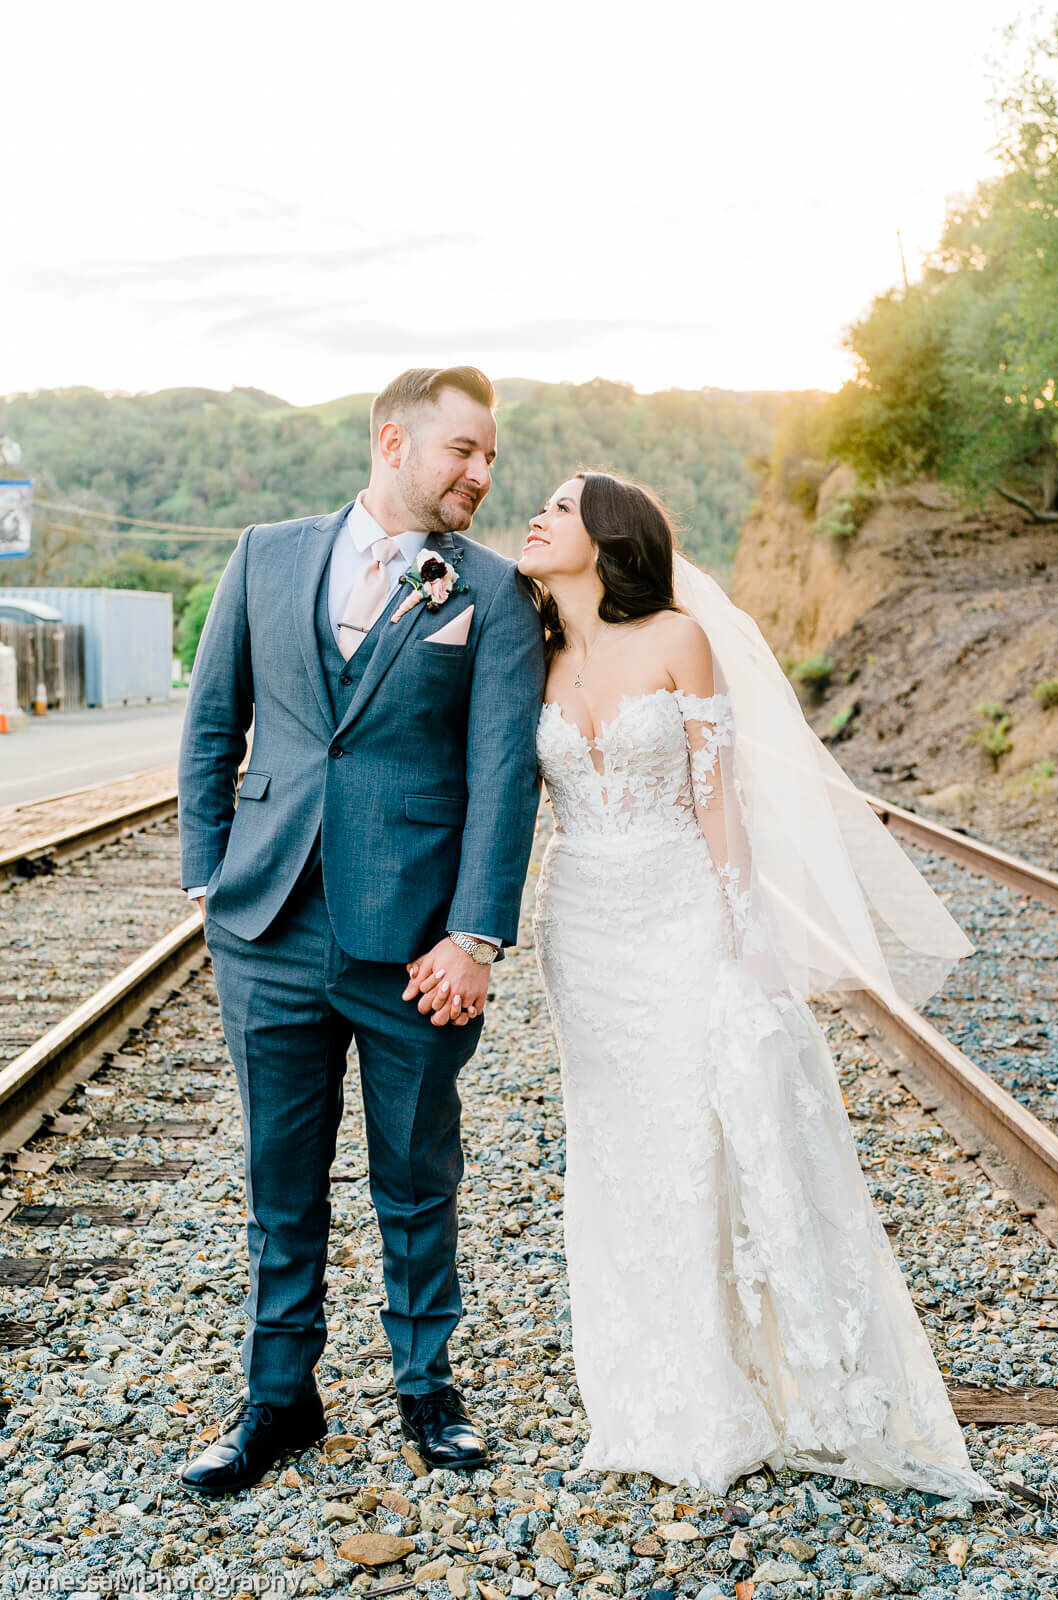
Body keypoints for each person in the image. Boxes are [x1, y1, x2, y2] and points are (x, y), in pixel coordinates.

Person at [518, 469, 998, 1499]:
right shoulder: (533, 653)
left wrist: (748, 934)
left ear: (606, 536)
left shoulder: (678, 638)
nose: (537, 515)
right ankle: (642, 1399)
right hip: (583, 928)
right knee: (615, 1153)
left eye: (559, 507)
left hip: (682, 913)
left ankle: (731, 1390)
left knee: (702, 1139)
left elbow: (717, 798)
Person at [176, 366, 544, 1495]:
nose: (481, 474)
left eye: (488, 456)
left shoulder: (491, 590)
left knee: (416, 1175)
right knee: (279, 1181)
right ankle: (277, 1399)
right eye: (462, 452)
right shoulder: (265, 553)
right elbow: (209, 727)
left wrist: (475, 936)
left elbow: (500, 778)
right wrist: (209, 885)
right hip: (269, 928)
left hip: (416, 948)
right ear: (394, 441)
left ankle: (427, 1389)